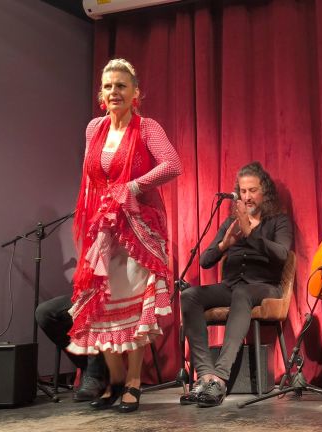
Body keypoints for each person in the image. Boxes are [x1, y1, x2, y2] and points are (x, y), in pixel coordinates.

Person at [66, 58, 182, 413]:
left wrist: (132, 185)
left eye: (121, 85)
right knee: (101, 306)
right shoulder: (94, 129)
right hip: (102, 227)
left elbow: (173, 164)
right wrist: (87, 218)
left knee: (132, 308)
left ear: (136, 93)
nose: (114, 91)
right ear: (100, 94)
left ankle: (133, 383)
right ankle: (114, 382)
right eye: (108, 86)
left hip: (138, 227)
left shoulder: (147, 128)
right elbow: (90, 178)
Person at [179, 162, 293, 408]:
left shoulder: (278, 221)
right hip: (232, 287)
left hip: (265, 288)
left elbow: (283, 254)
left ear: (265, 192)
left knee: (242, 292)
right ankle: (205, 375)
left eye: (253, 190)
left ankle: (220, 379)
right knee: (189, 295)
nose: (247, 196)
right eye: (243, 191)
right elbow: (206, 260)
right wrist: (225, 243)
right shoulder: (229, 222)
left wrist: (252, 234)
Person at [35, 295, 108, 401]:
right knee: (44, 312)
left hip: (110, 293)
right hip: (84, 293)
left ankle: (95, 375)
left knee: (95, 304)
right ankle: (87, 366)